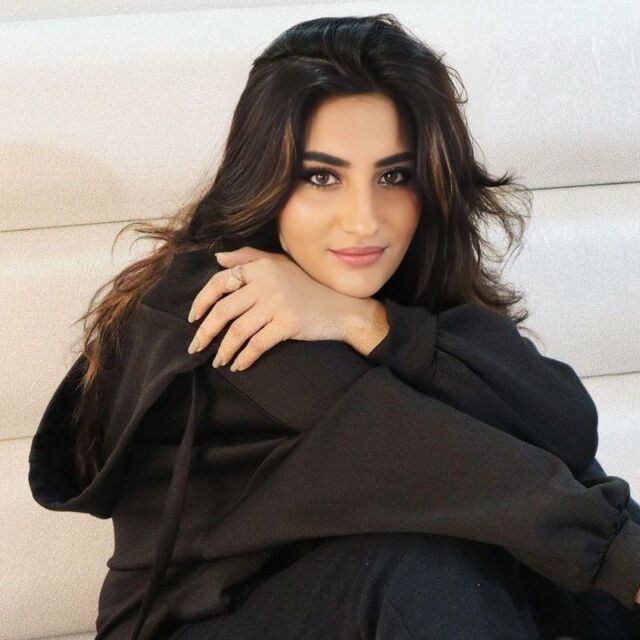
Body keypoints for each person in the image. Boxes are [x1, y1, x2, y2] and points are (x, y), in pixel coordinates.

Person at [28, 13, 640, 640]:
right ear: (263, 177)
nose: (363, 220)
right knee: (429, 571)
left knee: (537, 557)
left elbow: (565, 432)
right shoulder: (220, 305)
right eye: (322, 177)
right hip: (204, 624)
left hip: (340, 601)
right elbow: (436, 459)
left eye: (394, 176)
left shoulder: (381, 295)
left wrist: (371, 323)